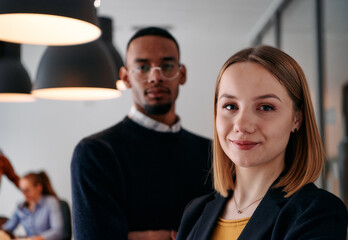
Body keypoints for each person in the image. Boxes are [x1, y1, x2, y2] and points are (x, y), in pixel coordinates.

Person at [176, 45, 348, 240]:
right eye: (230, 106)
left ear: (297, 119)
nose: (241, 125)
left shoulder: (318, 212)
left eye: (265, 107)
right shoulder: (196, 212)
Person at [71, 27, 212, 240]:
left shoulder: (211, 152)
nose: (156, 77)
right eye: (143, 67)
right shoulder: (95, 152)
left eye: (167, 66)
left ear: (181, 74)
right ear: (126, 77)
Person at [0, 171, 64, 240]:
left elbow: (57, 232)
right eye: (22, 190)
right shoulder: (21, 207)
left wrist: (34, 239)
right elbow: (8, 228)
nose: (24, 194)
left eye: (27, 190)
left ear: (38, 188)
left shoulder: (51, 202)